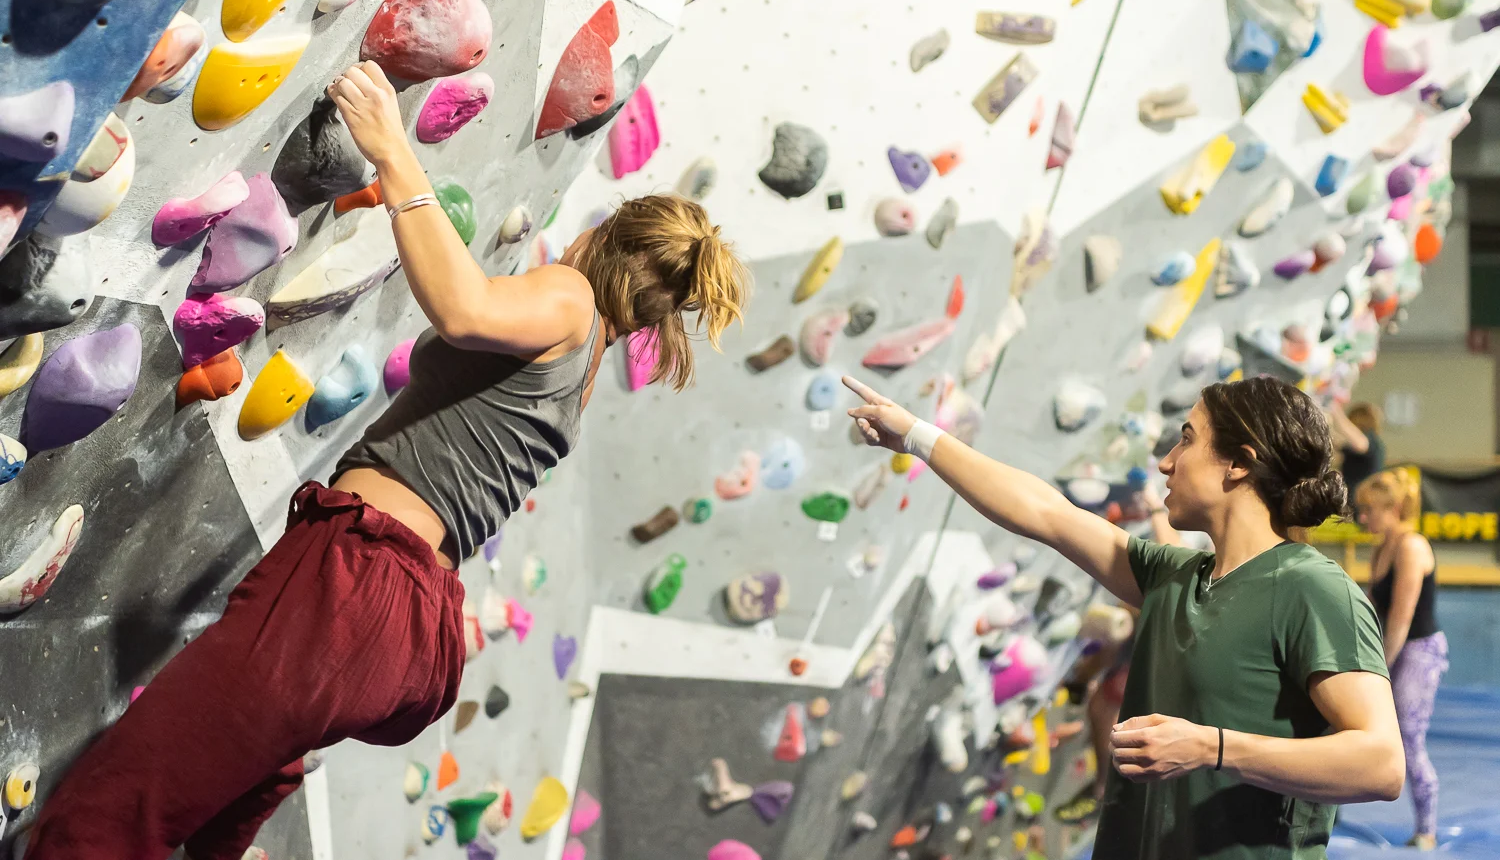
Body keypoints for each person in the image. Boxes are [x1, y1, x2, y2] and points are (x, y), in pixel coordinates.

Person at [25, 61, 751, 860]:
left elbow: (465, 308)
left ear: (602, 242)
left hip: (357, 587)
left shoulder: (573, 302)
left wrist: (393, 151)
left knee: (114, 811)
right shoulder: (581, 375)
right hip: (402, 630)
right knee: (210, 822)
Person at [843, 374, 1403, 859]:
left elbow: (1380, 764)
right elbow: (1046, 512)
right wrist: (915, 435)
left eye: (1187, 439)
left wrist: (1211, 747)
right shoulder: (1172, 575)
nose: (1166, 462)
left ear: (1239, 464)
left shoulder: (1313, 589)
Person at [1056, 483, 1201, 826]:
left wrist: (1156, 510)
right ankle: (1080, 683)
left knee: (1106, 701)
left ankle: (1103, 788)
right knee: (1107, 681)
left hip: (1169, 651)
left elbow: (1177, 559)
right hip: (1166, 638)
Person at [1355, 468, 1447, 851]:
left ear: (1393, 509)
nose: (1363, 518)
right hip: (1394, 646)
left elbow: (1400, 619)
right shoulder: (1382, 548)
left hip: (1420, 650)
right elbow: (1371, 606)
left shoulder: (1411, 546)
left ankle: (1426, 830)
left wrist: (1380, 670)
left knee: (1409, 737)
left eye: (1369, 510)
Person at [1329, 400, 1385, 492]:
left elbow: (1361, 445)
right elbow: (1339, 444)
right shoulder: (1373, 443)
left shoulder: (1371, 440)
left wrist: (1335, 409)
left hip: (1357, 495)